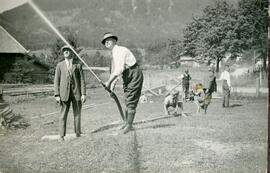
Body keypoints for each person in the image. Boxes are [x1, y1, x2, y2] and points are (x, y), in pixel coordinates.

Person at [101, 32, 144, 134]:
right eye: (105, 41)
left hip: (134, 74)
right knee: (126, 98)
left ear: (115, 41)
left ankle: (129, 126)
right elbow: (117, 71)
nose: (106, 42)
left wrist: (108, 82)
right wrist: (111, 86)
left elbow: (118, 70)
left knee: (131, 100)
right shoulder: (114, 53)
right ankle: (126, 122)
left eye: (109, 40)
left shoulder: (119, 51)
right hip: (127, 75)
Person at [54, 45, 86, 141]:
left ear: (72, 52)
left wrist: (83, 94)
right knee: (63, 115)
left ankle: (78, 133)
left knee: (77, 114)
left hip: (76, 94)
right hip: (64, 94)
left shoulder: (78, 65)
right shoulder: (60, 65)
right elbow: (56, 81)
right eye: (64, 51)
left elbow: (82, 80)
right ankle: (61, 136)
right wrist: (57, 95)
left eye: (68, 50)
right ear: (63, 53)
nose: (66, 52)